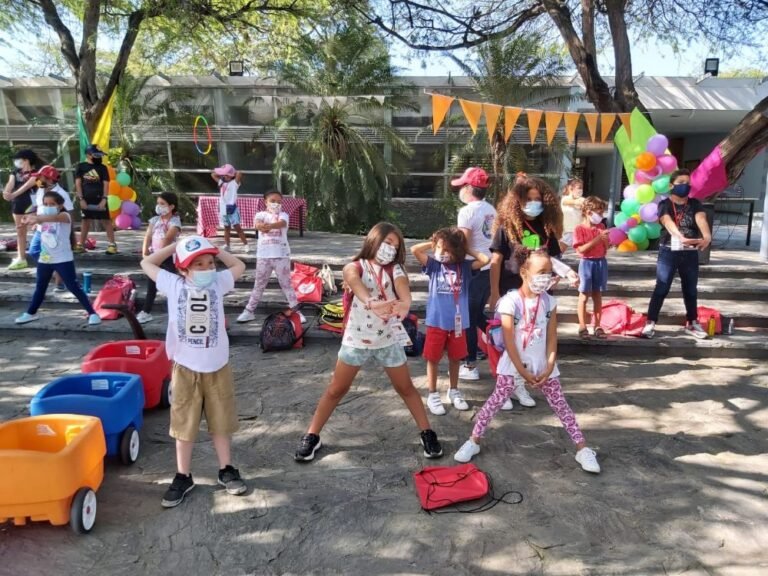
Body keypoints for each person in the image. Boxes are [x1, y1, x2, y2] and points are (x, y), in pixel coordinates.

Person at [294, 222, 443, 462]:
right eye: (387, 243)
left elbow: (403, 286)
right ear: (374, 241)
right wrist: (371, 302)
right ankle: (312, 435)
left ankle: (427, 432)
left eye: (395, 245)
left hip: (387, 340)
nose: (390, 249)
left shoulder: (396, 269)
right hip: (356, 340)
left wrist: (405, 302)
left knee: (406, 388)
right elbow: (353, 279)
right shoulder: (356, 266)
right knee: (336, 389)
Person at [453, 248, 600, 474]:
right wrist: (521, 371)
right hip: (513, 364)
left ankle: (582, 448)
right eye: (541, 271)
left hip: (542, 365)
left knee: (561, 406)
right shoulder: (510, 301)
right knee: (494, 402)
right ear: (524, 272)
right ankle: (473, 440)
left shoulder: (550, 302)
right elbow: (509, 341)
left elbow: (552, 338)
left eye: (549, 272)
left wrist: (550, 365)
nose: (546, 277)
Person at [140, 235, 248, 508]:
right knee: (183, 425)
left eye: (209, 262)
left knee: (221, 422)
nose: (206, 268)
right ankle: (183, 475)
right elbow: (147, 262)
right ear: (183, 268)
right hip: (185, 368)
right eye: (198, 264)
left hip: (217, 366)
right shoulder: (173, 284)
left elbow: (239, 266)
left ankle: (227, 469)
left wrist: (216, 249)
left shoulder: (219, 282)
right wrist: (174, 247)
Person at [411, 228, 489, 415]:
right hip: (436, 321)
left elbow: (486, 260)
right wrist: (434, 243)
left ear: (456, 251)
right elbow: (415, 250)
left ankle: (453, 390)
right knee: (433, 358)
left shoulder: (465, 268)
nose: (442, 253)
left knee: (455, 358)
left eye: (446, 250)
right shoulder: (434, 266)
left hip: (458, 324)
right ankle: (432, 394)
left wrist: (465, 249)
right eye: (439, 249)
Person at [642, 169, 712, 339]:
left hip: (689, 252)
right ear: (671, 185)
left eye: (688, 183)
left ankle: (692, 322)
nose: (685, 186)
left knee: (690, 289)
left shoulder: (695, 203)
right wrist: (679, 236)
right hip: (669, 250)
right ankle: (650, 322)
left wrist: (707, 236)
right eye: (681, 183)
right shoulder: (664, 204)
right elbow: (667, 221)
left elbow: (701, 219)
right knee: (662, 286)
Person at [14, 191, 101, 327]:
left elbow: (51, 218)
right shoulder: (41, 218)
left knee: (73, 287)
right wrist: (28, 221)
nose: (48, 206)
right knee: (40, 287)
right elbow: (38, 223)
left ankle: (93, 313)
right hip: (45, 259)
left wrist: (36, 218)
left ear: (60, 205)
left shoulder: (64, 216)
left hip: (62, 259)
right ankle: (31, 313)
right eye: (46, 204)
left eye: (52, 204)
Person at [451, 167, 497, 382]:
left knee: (468, 318)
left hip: (473, 270)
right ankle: (500, 339)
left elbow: (464, 244)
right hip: (487, 270)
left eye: (462, 186)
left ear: (469, 188)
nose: (460, 190)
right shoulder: (491, 209)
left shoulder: (467, 212)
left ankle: (470, 363)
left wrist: (454, 263)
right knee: (477, 314)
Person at [236, 190, 304, 324]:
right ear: (265, 202)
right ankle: (249, 311)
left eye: (279, 202)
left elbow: (282, 224)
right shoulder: (260, 214)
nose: (276, 204)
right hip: (264, 256)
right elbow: (258, 225)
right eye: (272, 201)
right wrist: (263, 226)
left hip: (281, 255)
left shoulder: (283, 215)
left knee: (287, 285)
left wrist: (271, 225)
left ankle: (297, 312)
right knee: (259, 285)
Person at [136, 192, 182, 324]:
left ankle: (178, 311)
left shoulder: (174, 221)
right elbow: (148, 236)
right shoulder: (154, 220)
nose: (159, 206)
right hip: (154, 256)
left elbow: (168, 238)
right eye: (158, 203)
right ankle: (146, 311)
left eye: (162, 204)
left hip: (167, 257)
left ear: (171, 206)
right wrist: (145, 253)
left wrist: (159, 255)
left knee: (172, 284)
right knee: (151, 284)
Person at [27, 165, 75, 293]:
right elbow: (37, 206)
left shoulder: (62, 194)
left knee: (58, 256)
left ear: (49, 178)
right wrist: (34, 219)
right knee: (33, 251)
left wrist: (70, 234)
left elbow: (69, 214)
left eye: (40, 177)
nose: (37, 179)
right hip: (41, 229)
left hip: (56, 231)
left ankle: (60, 283)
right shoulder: (40, 190)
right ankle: (54, 272)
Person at [573, 196, 610, 339]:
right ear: (588, 212)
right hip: (587, 263)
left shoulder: (601, 227)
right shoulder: (579, 229)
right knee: (584, 295)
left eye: (602, 213)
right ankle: (582, 326)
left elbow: (606, 247)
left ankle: (598, 325)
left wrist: (605, 240)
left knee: (597, 295)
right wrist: (597, 239)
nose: (601, 216)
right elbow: (581, 250)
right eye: (598, 213)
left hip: (601, 262)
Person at [2, 149, 42, 270]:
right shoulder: (15, 172)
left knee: (37, 229)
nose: (17, 162)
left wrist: (13, 194)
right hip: (18, 204)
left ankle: (43, 256)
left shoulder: (37, 173)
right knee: (20, 231)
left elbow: (27, 186)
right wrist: (6, 193)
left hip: (32, 204)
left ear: (26, 160)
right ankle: (21, 258)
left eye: (19, 159)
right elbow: (10, 183)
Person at [74, 144, 118, 254]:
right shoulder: (81, 167)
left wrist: (104, 199)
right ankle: (81, 244)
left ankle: (112, 244)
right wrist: (81, 199)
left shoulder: (103, 168)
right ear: (88, 155)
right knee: (85, 221)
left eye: (100, 155)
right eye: (96, 155)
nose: (99, 157)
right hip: (86, 199)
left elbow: (106, 184)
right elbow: (78, 184)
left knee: (106, 221)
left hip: (100, 198)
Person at [211, 164, 249, 251]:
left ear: (230, 176)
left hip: (232, 208)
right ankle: (227, 245)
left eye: (225, 175)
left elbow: (239, 173)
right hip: (223, 208)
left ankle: (246, 244)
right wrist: (221, 170)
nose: (223, 176)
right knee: (226, 228)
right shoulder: (221, 182)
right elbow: (212, 174)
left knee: (237, 227)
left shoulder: (235, 183)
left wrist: (231, 172)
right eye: (222, 175)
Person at [560, 177, 584, 252]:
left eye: (581, 188)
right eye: (579, 188)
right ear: (571, 188)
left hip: (580, 229)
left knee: (583, 248)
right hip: (568, 229)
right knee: (561, 248)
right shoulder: (565, 199)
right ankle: (555, 258)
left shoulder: (582, 199)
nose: (580, 190)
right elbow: (567, 202)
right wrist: (577, 202)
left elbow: (584, 203)